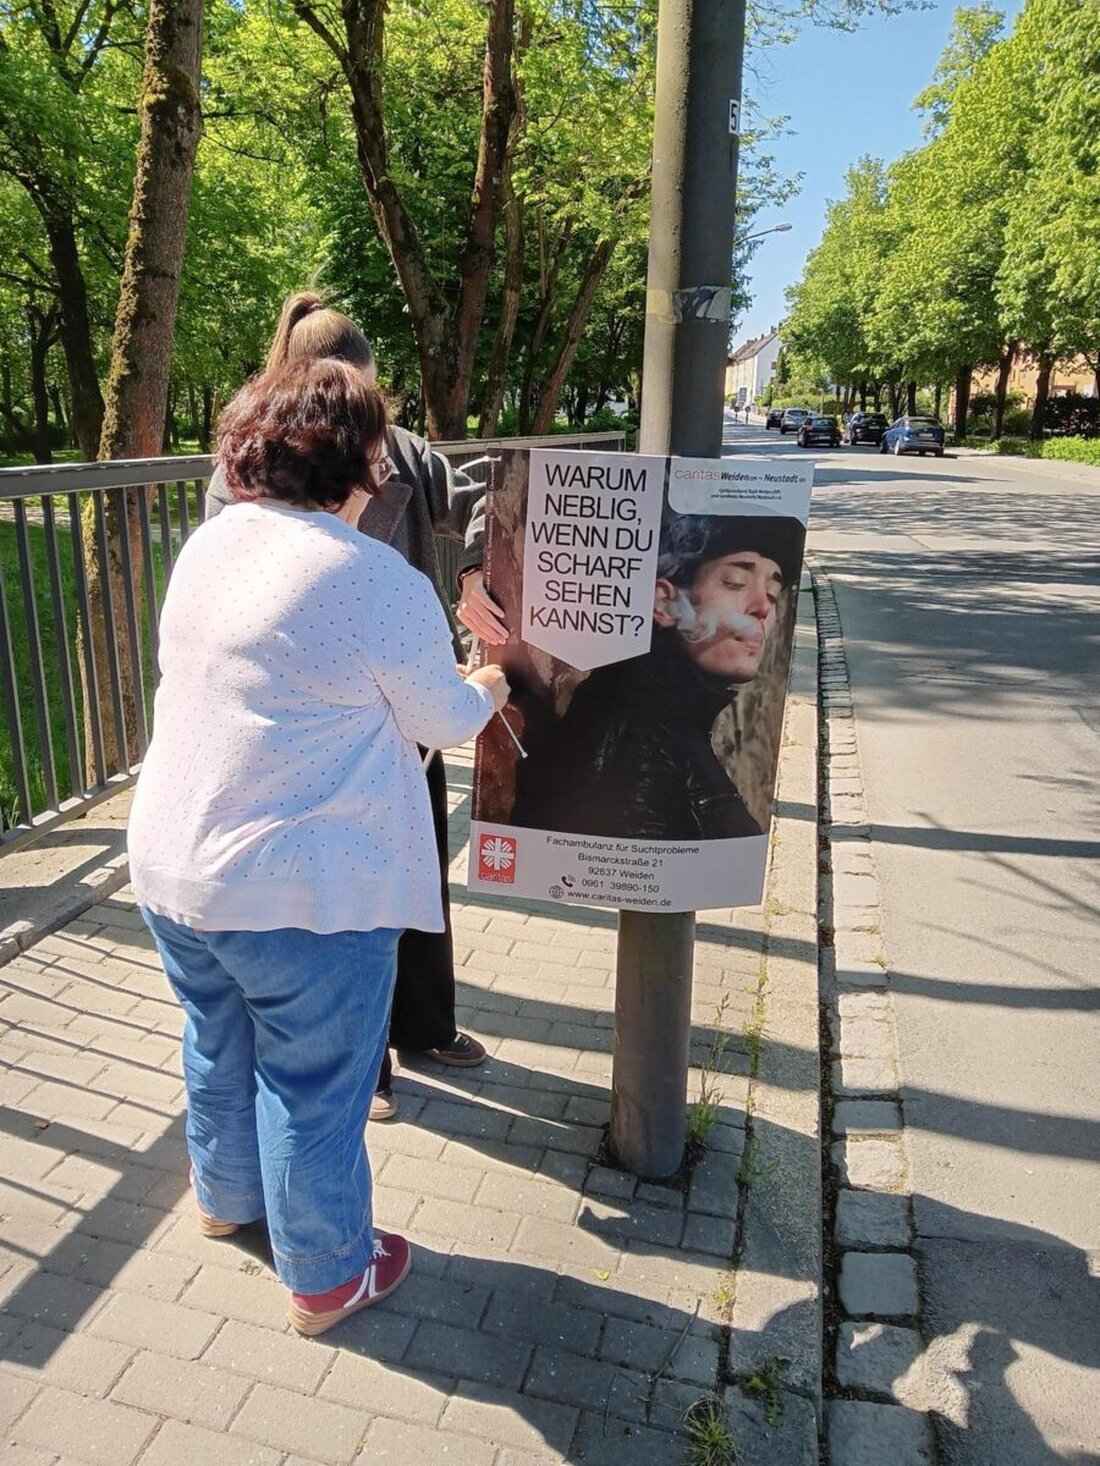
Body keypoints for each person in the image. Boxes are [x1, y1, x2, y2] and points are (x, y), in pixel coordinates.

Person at [129, 358, 508, 1335]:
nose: (384, 471)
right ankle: (330, 1272)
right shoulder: (370, 575)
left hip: (172, 863)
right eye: (379, 452)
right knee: (313, 1085)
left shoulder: (206, 548)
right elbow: (444, 715)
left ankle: (225, 1200)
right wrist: (496, 678)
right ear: (353, 464)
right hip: (301, 889)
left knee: (218, 1042)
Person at [205, 291, 507, 1122]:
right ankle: (361, 1064)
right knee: (346, 907)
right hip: (317, 730)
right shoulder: (249, 470)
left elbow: (483, 495)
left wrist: (479, 570)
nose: (375, 450)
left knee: (416, 874)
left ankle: (424, 1024)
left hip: (409, 704)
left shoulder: (404, 451)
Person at [511, 514, 805, 840]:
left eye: (774, 593)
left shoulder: (670, 716)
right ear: (665, 602)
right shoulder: (635, 731)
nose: (762, 607)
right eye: (736, 582)